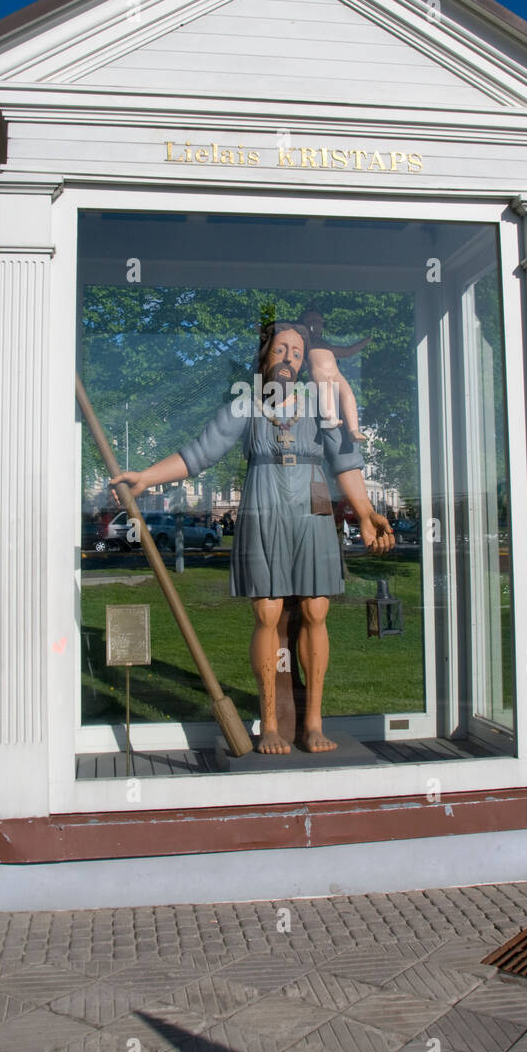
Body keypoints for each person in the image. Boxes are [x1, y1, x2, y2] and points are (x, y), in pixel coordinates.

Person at [110, 319, 394, 754]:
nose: (289, 360)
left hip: (313, 510)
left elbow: (346, 465)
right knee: (267, 611)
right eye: (281, 350)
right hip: (263, 510)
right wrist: (147, 477)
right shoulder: (246, 406)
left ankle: (314, 723)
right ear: (265, 355)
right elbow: (198, 453)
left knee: (317, 610)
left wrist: (368, 511)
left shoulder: (320, 405)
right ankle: (271, 724)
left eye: (297, 353)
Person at [298, 307, 369, 441]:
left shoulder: (326, 344)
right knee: (327, 389)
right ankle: (329, 417)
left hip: (335, 374)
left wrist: (363, 343)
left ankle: (353, 430)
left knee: (348, 395)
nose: (317, 325)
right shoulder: (305, 343)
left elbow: (347, 351)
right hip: (318, 372)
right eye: (312, 321)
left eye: (319, 322)